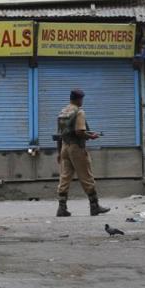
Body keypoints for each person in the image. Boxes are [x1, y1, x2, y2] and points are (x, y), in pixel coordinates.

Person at [55, 89, 110, 217]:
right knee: (86, 176)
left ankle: (61, 208)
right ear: (79, 99)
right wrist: (91, 136)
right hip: (76, 148)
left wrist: (59, 153)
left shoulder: (63, 111)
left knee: (64, 177)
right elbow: (80, 132)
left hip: (64, 147)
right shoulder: (79, 112)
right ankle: (94, 206)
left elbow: (59, 134)